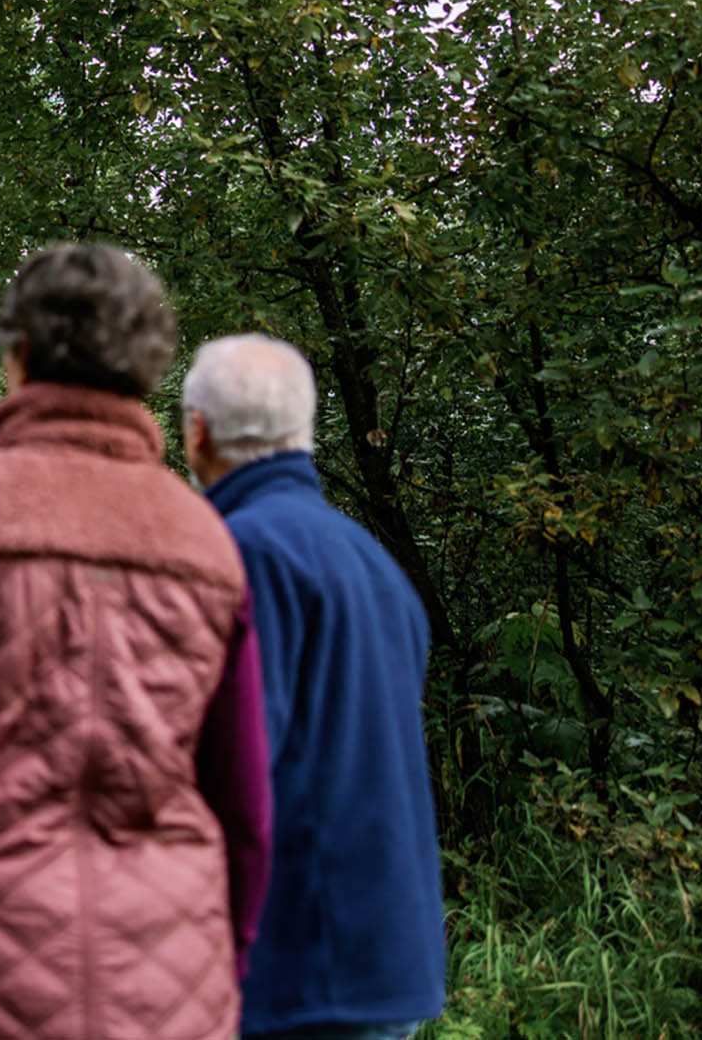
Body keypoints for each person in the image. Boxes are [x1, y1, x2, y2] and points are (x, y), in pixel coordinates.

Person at [0, 244, 273, 1040]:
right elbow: (242, 801)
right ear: (147, 368)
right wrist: (223, 967)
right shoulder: (207, 542)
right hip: (171, 987)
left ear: (20, 356)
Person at [180, 334, 446, 1040]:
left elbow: (232, 765)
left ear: (196, 432)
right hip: (388, 959)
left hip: (294, 966)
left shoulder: (241, 557)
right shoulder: (372, 561)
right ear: (304, 435)